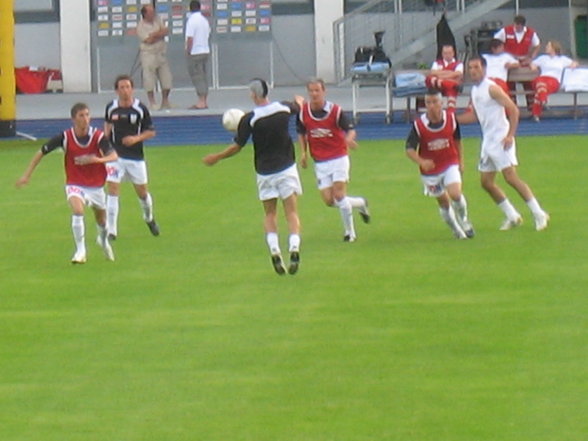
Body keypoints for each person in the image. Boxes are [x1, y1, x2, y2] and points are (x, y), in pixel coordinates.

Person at [202, 79, 302, 276]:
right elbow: (299, 105)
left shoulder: (250, 119)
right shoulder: (283, 108)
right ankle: (294, 247)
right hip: (287, 168)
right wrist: (299, 100)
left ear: (254, 95)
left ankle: (274, 250)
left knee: (270, 214)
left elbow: (237, 147)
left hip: (265, 172)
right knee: (291, 212)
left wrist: (217, 157)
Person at [16, 103, 118, 263]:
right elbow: (41, 152)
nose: (85, 119)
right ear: (73, 119)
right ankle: (80, 250)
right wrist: (26, 175)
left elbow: (113, 156)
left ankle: (103, 241)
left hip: (96, 186)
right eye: (81, 116)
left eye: (87, 115)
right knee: (78, 210)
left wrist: (96, 159)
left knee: (102, 221)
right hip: (75, 183)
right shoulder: (65, 137)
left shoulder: (98, 137)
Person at [457, 56, 549, 232]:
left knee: (511, 178)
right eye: (470, 67)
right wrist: (453, 119)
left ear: (484, 69)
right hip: (488, 142)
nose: (473, 70)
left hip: (501, 140)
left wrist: (510, 136)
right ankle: (512, 216)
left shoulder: (492, 88)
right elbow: (474, 116)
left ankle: (538, 213)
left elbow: (513, 110)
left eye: (476, 67)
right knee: (486, 183)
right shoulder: (475, 91)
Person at [297, 77, 370, 242]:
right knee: (329, 201)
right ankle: (360, 203)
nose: (314, 94)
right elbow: (301, 133)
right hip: (320, 162)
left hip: (338, 157)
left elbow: (350, 130)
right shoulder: (303, 113)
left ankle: (350, 233)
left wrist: (348, 139)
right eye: (311, 91)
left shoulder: (335, 111)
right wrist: (303, 153)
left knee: (339, 195)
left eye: (317, 90)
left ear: (324, 91)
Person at [405, 89, 474, 239]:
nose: (431, 106)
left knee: (455, 194)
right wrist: (421, 161)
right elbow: (409, 149)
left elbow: (457, 140)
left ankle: (464, 220)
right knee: (444, 202)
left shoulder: (451, 119)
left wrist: (461, 161)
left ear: (441, 103)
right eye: (428, 103)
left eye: (435, 102)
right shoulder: (419, 125)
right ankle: (456, 229)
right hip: (430, 173)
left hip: (450, 162)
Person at [104, 74, 160, 240]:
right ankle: (112, 230)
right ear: (116, 91)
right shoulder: (111, 108)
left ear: (132, 89)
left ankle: (149, 217)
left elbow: (151, 131)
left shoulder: (140, 109)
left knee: (142, 193)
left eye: (128, 87)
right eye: (121, 87)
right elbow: (107, 124)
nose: (125, 91)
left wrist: (135, 139)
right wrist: (104, 143)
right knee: (113, 190)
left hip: (135, 157)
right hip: (115, 156)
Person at [494, 15, 541, 108]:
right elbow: (495, 42)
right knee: (510, 84)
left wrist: (531, 57)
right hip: (510, 61)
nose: (517, 28)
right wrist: (502, 55)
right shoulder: (506, 31)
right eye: (516, 25)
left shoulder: (531, 33)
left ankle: (532, 106)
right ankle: (512, 106)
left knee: (528, 83)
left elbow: (537, 45)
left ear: (523, 25)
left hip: (523, 61)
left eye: (520, 26)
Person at [529, 40, 578, 121]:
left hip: (553, 80)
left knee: (540, 89)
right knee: (540, 84)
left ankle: (537, 112)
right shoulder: (543, 58)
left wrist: (574, 65)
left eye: (548, 46)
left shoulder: (562, 59)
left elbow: (574, 63)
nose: (546, 47)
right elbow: (533, 63)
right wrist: (533, 66)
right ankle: (543, 100)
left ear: (553, 48)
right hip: (542, 78)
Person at [137, 3, 173, 110]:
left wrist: (154, 34)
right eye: (151, 12)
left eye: (153, 11)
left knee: (167, 78)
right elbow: (148, 40)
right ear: (145, 14)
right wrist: (159, 34)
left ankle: (165, 101)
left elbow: (166, 31)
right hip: (148, 55)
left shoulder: (158, 19)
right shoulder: (140, 26)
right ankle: (152, 102)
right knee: (149, 79)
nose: (153, 13)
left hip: (161, 54)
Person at [185, 0, 211, 110]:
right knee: (203, 76)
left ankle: (201, 102)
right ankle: (204, 100)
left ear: (190, 8)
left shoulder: (191, 21)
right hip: (205, 50)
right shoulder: (204, 20)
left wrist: (188, 51)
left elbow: (190, 38)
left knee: (197, 77)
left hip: (195, 52)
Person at [424, 44, 464, 111]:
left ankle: (450, 112)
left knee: (451, 88)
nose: (447, 55)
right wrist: (450, 74)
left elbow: (457, 74)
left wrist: (440, 77)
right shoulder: (437, 63)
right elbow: (433, 73)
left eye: (449, 53)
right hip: (438, 87)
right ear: (442, 54)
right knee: (429, 79)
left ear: (453, 53)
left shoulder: (459, 64)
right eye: (445, 53)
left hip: (448, 88)